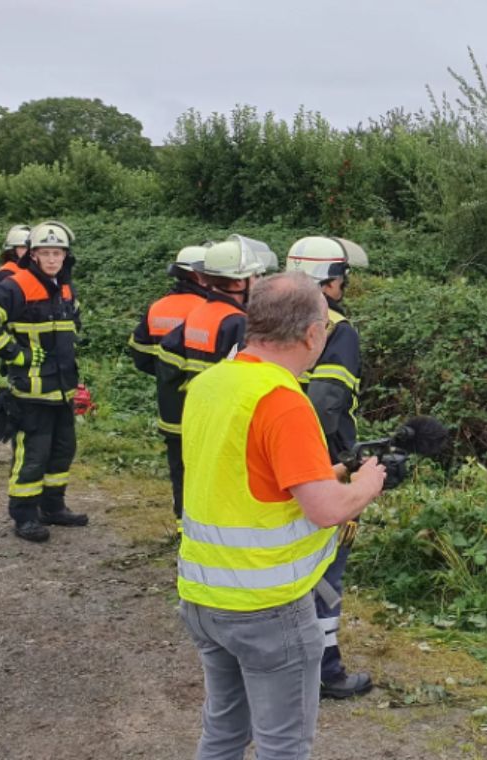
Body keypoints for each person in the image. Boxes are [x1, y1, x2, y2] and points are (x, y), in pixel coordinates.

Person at [177, 271, 387, 760]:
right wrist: (367, 483)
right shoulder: (284, 401)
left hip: (204, 597)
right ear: (313, 334)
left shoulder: (211, 384)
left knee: (224, 733)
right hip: (266, 607)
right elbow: (326, 509)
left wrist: (334, 469)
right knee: (283, 746)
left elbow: (251, 477)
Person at [285, 235, 372, 700]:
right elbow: (326, 401)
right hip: (323, 463)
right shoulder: (336, 329)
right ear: (332, 283)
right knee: (327, 566)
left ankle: (284, 656)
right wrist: (337, 464)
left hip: (266, 462)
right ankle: (324, 668)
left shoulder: (261, 318)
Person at [157, 236, 276, 532]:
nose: (258, 282)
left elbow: (165, 357)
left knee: (190, 479)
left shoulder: (199, 312)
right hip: (222, 425)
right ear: (237, 283)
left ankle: (188, 532)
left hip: (193, 416)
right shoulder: (237, 323)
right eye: (254, 276)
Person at [0, 222, 86, 542]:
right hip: (30, 391)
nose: (51, 259)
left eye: (57, 253)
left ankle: (52, 507)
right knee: (33, 455)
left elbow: (72, 325)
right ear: (32, 255)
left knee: (62, 451)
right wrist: (16, 355)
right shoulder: (14, 286)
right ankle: (24, 516)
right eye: (45, 253)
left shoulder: (64, 286)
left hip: (62, 390)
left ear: (65, 255)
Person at [127, 244, 210, 527]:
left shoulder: (158, 307)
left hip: (171, 409)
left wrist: (166, 377)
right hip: (203, 409)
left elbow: (140, 356)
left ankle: (181, 523)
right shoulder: (208, 310)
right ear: (198, 275)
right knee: (206, 468)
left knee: (179, 467)